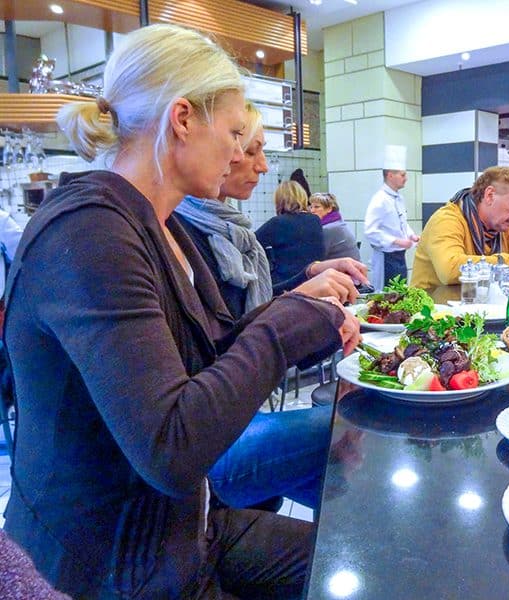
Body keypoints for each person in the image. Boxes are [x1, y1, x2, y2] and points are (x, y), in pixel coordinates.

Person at [3, 24, 360, 599]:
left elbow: (213, 351)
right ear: (183, 118)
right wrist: (282, 329)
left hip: (186, 532)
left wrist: (300, 310)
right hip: (118, 570)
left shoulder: (162, 227)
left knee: (363, 567)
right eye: (236, 132)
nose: (243, 153)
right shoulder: (90, 231)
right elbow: (171, 448)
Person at [173, 102, 368, 511]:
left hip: (233, 411)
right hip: (212, 439)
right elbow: (224, 344)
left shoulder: (230, 230)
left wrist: (308, 282)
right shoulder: (181, 234)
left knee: (352, 476)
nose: (261, 166)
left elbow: (243, 324)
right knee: (360, 423)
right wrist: (297, 303)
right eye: (247, 146)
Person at [411, 166, 509, 289]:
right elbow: (450, 269)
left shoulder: (502, 229)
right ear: (489, 195)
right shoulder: (446, 219)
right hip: (435, 317)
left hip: (476, 312)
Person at [364, 145, 418, 289]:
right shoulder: (379, 199)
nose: (406, 179)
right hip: (386, 259)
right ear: (390, 175)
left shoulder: (398, 198)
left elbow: (402, 222)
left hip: (399, 256)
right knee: (386, 298)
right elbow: (370, 231)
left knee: (400, 294)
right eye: (402, 175)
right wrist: (397, 241)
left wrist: (411, 235)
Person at [255, 180, 326, 287]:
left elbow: (250, 243)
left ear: (279, 200)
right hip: (313, 280)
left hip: (286, 283)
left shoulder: (277, 222)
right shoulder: (315, 220)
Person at [309, 191, 360, 261]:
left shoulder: (328, 229)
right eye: (311, 207)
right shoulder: (337, 223)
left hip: (343, 270)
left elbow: (315, 256)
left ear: (329, 208)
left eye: (317, 207)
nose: (312, 210)